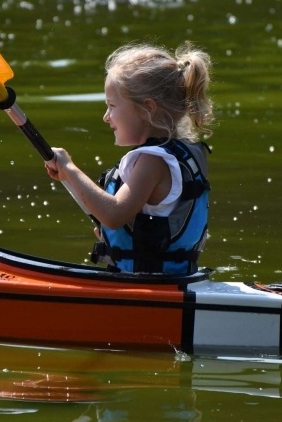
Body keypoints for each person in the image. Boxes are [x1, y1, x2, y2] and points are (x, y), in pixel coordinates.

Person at [45, 41, 214, 274]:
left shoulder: (152, 161)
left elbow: (114, 214)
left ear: (148, 109)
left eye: (112, 105)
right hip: (176, 279)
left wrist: (70, 168)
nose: (106, 117)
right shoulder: (184, 153)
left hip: (149, 289)